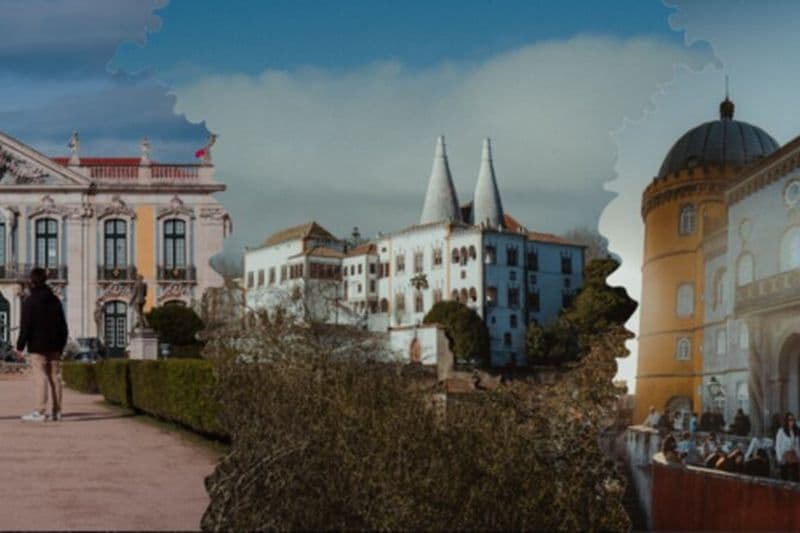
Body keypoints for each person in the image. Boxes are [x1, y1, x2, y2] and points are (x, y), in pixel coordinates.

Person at [15, 267, 69, 422]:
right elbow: (63, 326)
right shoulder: (55, 301)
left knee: (41, 378)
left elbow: (26, 326)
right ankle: (57, 412)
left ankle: (40, 411)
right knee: (55, 378)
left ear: (32, 282)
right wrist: (61, 345)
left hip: (37, 347)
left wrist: (20, 347)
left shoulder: (30, 301)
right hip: (55, 346)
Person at [775, 412, 800, 482]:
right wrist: (779, 458)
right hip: (784, 455)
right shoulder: (781, 431)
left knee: (795, 475)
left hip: (793, 455)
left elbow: (796, 446)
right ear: (786, 421)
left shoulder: (795, 431)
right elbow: (777, 445)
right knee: (784, 477)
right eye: (790, 420)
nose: (791, 422)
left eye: (793, 420)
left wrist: (799, 456)